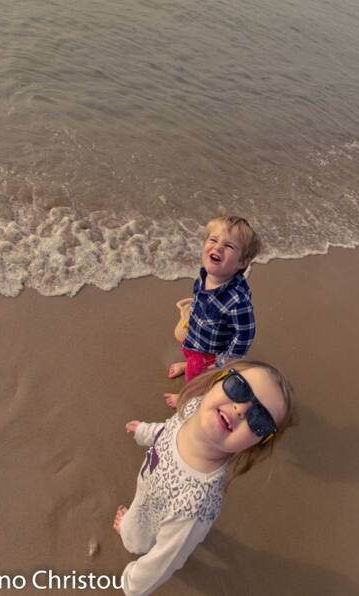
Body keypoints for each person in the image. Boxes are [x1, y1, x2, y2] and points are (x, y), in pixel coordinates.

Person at [114, 360, 295, 596]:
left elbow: (164, 562)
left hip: (165, 515)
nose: (241, 409)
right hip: (148, 489)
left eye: (260, 419)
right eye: (239, 388)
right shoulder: (193, 409)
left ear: (256, 444)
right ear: (217, 381)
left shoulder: (195, 505)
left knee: (138, 538)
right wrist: (144, 432)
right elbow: (169, 430)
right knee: (139, 511)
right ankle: (133, 526)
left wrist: (132, 585)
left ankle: (132, 537)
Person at [164, 215, 261, 407]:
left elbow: (244, 337)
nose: (217, 247)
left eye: (229, 246)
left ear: (243, 262)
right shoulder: (204, 276)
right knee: (189, 355)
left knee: (197, 380)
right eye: (213, 240)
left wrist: (222, 361)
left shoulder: (237, 301)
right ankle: (189, 363)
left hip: (211, 353)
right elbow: (199, 300)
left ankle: (187, 398)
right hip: (196, 338)